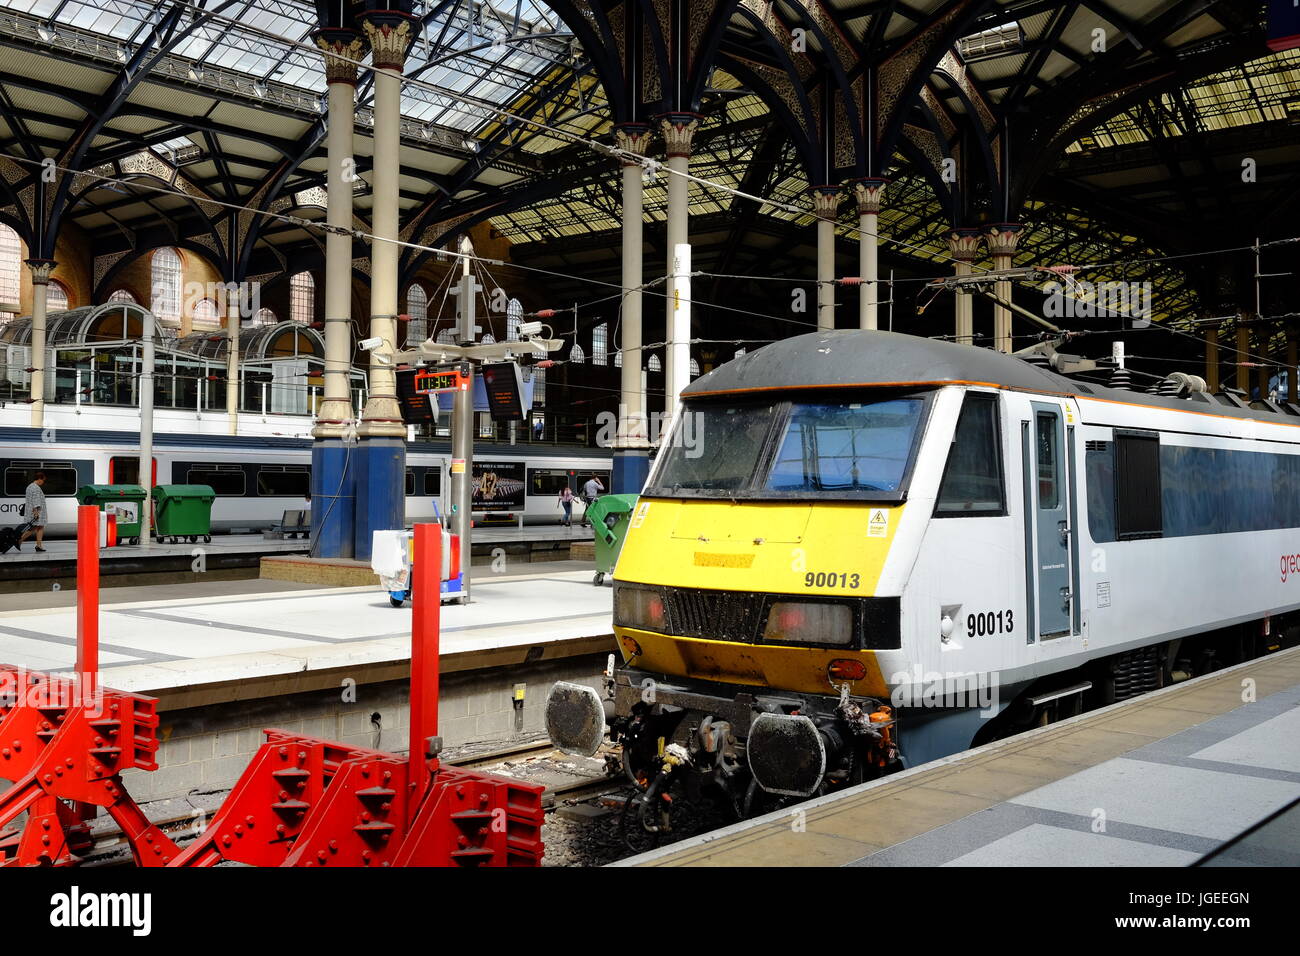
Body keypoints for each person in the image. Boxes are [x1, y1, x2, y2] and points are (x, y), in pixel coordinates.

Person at [18, 471, 47, 552]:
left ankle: (39, 545)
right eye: (43, 480)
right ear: (39, 479)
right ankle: (19, 540)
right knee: (33, 528)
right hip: (36, 511)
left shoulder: (30, 486)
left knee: (40, 527)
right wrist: (36, 512)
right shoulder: (36, 488)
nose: (43, 482)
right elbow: (36, 500)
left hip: (32, 510)